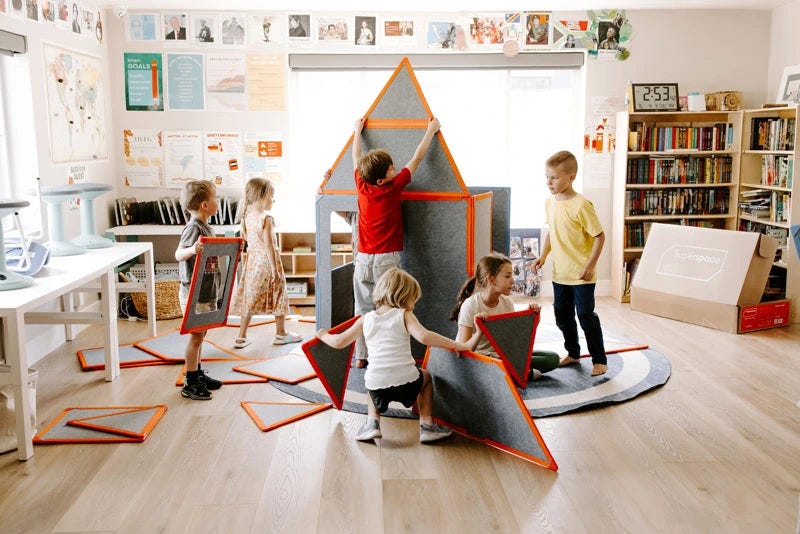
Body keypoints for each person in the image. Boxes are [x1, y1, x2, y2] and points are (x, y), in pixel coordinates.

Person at [316, 268, 481, 443]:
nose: (413, 305)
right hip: (407, 383)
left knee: (371, 380)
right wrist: (456, 345)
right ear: (402, 296)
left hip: (377, 388)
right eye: (413, 299)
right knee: (426, 378)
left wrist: (323, 335)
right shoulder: (405, 315)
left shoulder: (365, 319)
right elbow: (424, 336)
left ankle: (372, 423)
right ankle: (427, 425)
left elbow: (339, 342)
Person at [351, 116, 441, 368]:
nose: (396, 169)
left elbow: (356, 157)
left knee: (362, 309)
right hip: (385, 261)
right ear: (381, 180)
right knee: (391, 309)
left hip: (362, 260)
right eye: (391, 169)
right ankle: (390, 355)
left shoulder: (361, 184)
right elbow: (417, 158)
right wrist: (430, 131)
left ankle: (361, 356)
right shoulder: (392, 188)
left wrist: (357, 131)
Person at [532, 151, 607, 377]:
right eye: (547, 177)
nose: (549, 182)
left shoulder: (582, 205)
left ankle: (599, 360)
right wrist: (543, 256)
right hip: (560, 274)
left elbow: (599, 236)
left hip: (582, 275)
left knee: (585, 316)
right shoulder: (550, 203)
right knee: (562, 317)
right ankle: (573, 353)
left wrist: (590, 266)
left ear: (571, 177)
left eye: (554, 178)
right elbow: (552, 232)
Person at [450, 253, 560, 380]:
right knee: (495, 366)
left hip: (501, 357)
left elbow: (513, 342)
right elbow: (463, 351)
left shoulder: (507, 303)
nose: (512, 280)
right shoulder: (470, 305)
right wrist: (480, 331)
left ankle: (513, 374)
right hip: (479, 359)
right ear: (491, 279)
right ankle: (517, 374)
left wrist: (533, 320)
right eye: (507, 276)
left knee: (552, 359)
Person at [231, 178, 302, 349]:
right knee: (279, 295)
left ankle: (241, 336)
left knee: (250, 297)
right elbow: (269, 245)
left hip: (252, 263)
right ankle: (281, 334)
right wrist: (274, 269)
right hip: (267, 262)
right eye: (271, 196)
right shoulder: (266, 219)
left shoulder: (247, 217)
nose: (273, 200)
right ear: (261, 197)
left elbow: (247, 240)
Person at [174, 180, 223, 400]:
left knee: (201, 335)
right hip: (194, 295)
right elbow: (178, 254)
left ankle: (198, 373)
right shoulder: (193, 227)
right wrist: (192, 249)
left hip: (205, 292)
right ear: (205, 205)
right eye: (215, 199)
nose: (218, 202)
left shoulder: (206, 226)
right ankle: (190, 381)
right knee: (195, 338)